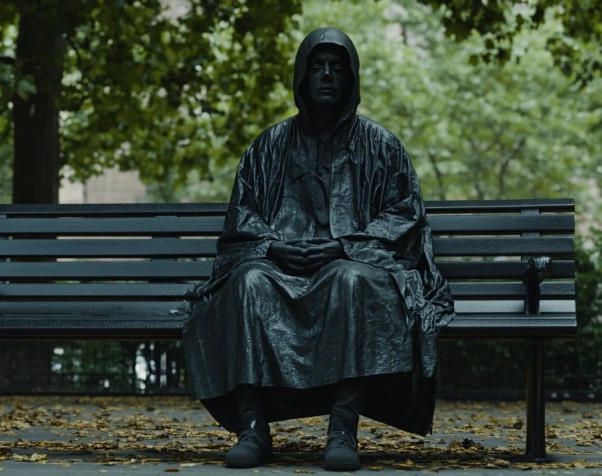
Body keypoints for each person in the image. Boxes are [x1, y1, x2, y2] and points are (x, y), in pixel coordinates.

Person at [182, 27, 454, 471]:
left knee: (350, 281)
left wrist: (343, 246)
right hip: (278, 267)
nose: (327, 75)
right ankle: (253, 427)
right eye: (317, 66)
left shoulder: (382, 146)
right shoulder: (267, 148)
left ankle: (343, 426)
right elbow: (241, 221)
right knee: (249, 281)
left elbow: (405, 216)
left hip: (354, 265)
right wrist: (272, 248)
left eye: (337, 67)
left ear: (351, 79)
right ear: (301, 76)